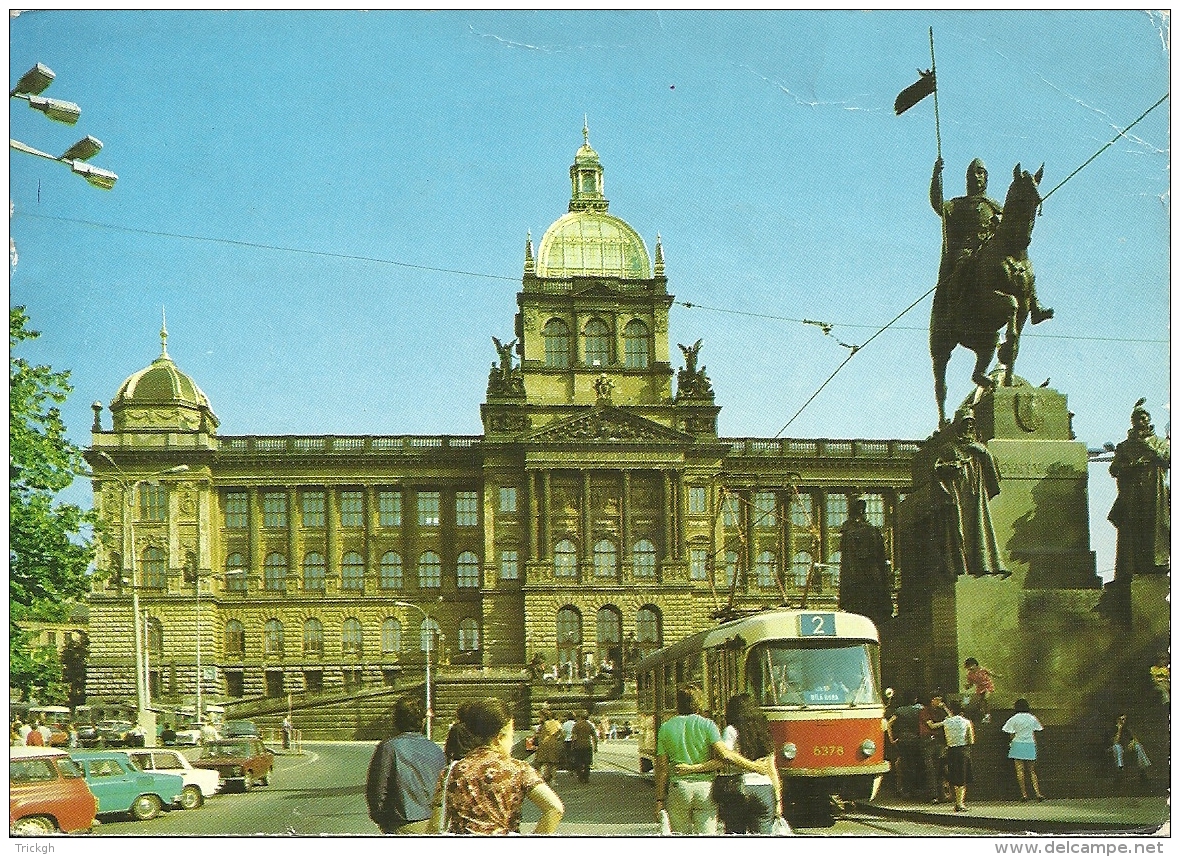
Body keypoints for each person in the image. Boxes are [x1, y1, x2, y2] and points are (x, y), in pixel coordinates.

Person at [930, 156, 1052, 326]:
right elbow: (937, 203)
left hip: (990, 247)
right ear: (967, 179)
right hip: (967, 251)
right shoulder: (958, 204)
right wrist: (936, 176)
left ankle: (1034, 304)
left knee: (1021, 265)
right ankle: (952, 311)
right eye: (972, 173)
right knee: (959, 270)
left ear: (986, 178)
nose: (976, 176)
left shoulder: (993, 205)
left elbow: (1007, 226)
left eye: (980, 173)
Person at [431, 697, 563, 835]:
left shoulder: (451, 772)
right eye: (511, 736)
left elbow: (435, 826)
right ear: (499, 738)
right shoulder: (519, 770)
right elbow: (554, 808)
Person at [676, 693, 783, 834]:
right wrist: (778, 799)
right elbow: (771, 768)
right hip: (764, 790)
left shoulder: (731, 730)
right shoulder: (764, 731)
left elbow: (724, 757)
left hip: (738, 789)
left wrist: (692, 769)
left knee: (735, 834)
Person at [934, 407, 1007, 578]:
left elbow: (993, 472)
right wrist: (951, 467)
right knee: (960, 531)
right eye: (965, 424)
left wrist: (983, 452)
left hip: (976, 497)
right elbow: (936, 470)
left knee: (980, 529)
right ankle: (962, 567)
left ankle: (985, 565)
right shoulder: (949, 448)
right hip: (958, 496)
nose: (968, 428)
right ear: (958, 426)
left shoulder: (979, 448)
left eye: (971, 424)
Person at [1108, 399, 1170, 580]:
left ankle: (1155, 566)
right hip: (1132, 493)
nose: (1141, 422)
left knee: (1156, 529)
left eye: (1144, 418)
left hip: (1154, 492)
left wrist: (1149, 449)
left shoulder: (1160, 442)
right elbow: (1114, 469)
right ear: (1132, 422)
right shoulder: (1125, 446)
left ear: (1149, 420)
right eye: (1137, 419)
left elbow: (1168, 460)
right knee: (1132, 531)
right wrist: (1129, 466)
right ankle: (1131, 569)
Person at [366, 697, 447, 834]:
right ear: (422, 721)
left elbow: (377, 789)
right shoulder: (436, 749)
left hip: (402, 822)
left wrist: (381, 819)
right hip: (434, 822)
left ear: (396, 721)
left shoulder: (389, 748)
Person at [653, 685, 722, 835]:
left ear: (677, 704)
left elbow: (662, 768)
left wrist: (659, 800)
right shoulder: (708, 725)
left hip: (679, 787)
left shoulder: (665, 728)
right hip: (706, 788)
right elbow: (721, 757)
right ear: (699, 703)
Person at [838, 498, 894, 627]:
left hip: (866, 572)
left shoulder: (857, 531)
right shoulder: (862, 531)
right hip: (863, 573)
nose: (862, 513)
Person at [1002, 698, 1046, 801]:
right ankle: (1038, 793)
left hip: (1017, 744)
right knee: (1032, 771)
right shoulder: (1032, 718)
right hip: (1030, 743)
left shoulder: (1014, 718)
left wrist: (1012, 742)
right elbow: (1036, 730)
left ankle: (1024, 794)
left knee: (1020, 771)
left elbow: (1010, 732)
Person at [936, 698, 975, 812]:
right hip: (963, 750)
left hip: (951, 751)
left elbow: (935, 727)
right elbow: (971, 740)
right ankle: (960, 803)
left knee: (954, 776)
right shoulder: (966, 722)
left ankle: (957, 802)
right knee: (962, 778)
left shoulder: (947, 722)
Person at [919, 691, 948, 803]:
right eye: (937, 699)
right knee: (930, 768)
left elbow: (952, 718)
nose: (939, 702)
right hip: (928, 741)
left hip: (939, 741)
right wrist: (944, 723)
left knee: (940, 767)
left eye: (941, 700)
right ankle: (933, 795)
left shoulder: (941, 712)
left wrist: (945, 708)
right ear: (932, 700)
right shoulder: (925, 711)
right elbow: (931, 725)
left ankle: (941, 795)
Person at [1109, 713, 1151, 788]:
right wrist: (1119, 729)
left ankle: (1143, 770)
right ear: (1117, 720)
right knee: (1117, 747)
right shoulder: (1112, 729)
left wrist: (1133, 742)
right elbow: (1115, 742)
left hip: (1125, 748)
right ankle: (1120, 771)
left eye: (1125, 719)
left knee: (1138, 746)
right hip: (1114, 749)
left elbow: (1135, 739)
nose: (1124, 721)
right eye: (1122, 719)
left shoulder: (1127, 729)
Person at [532, 708, 563, 785]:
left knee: (541, 762)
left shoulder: (544, 724)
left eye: (540, 716)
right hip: (553, 744)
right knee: (553, 763)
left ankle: (541, 779)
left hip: (544, 744)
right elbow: (561, 734)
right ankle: (553, 780)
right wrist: (557, 739)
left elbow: (539, 735)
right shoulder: (557, 723)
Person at [963, 657, 996, 723]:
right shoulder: (970, 675)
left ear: (975, 665)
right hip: (980, 688)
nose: (970, 669)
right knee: (980, 702)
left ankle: (987, 715)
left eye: (971, 667)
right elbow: (971, 684)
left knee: (985, 698)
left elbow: (991, 674)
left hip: (987, 686)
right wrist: (967, 686)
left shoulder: (982, 670)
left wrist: (998, 676)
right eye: (968, 668)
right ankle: (984, 714)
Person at [569, 711, 598, 783]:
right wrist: (595, 746)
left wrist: (572, 745)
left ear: (580, 717)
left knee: (578, 762)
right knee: (587, 763)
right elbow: (594, 736)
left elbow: (574, 736)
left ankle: (580, 777)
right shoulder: (589, 725)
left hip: (578, 745)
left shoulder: (577, 725)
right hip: (588, 745)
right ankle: (586, 777)